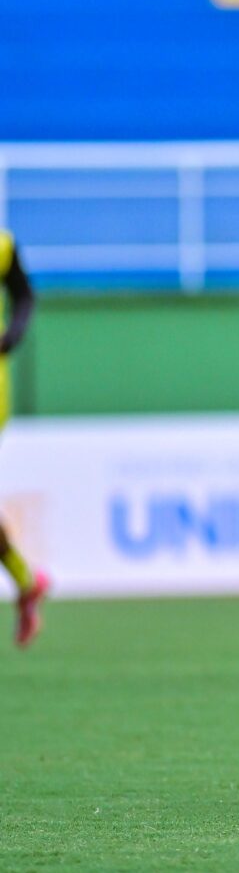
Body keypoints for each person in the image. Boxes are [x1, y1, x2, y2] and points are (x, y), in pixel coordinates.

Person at [0, 231, 50, 646]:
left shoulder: (3, 245)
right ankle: (26, 580)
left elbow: (23, 295)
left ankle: (25, 580)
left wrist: (11, 337)